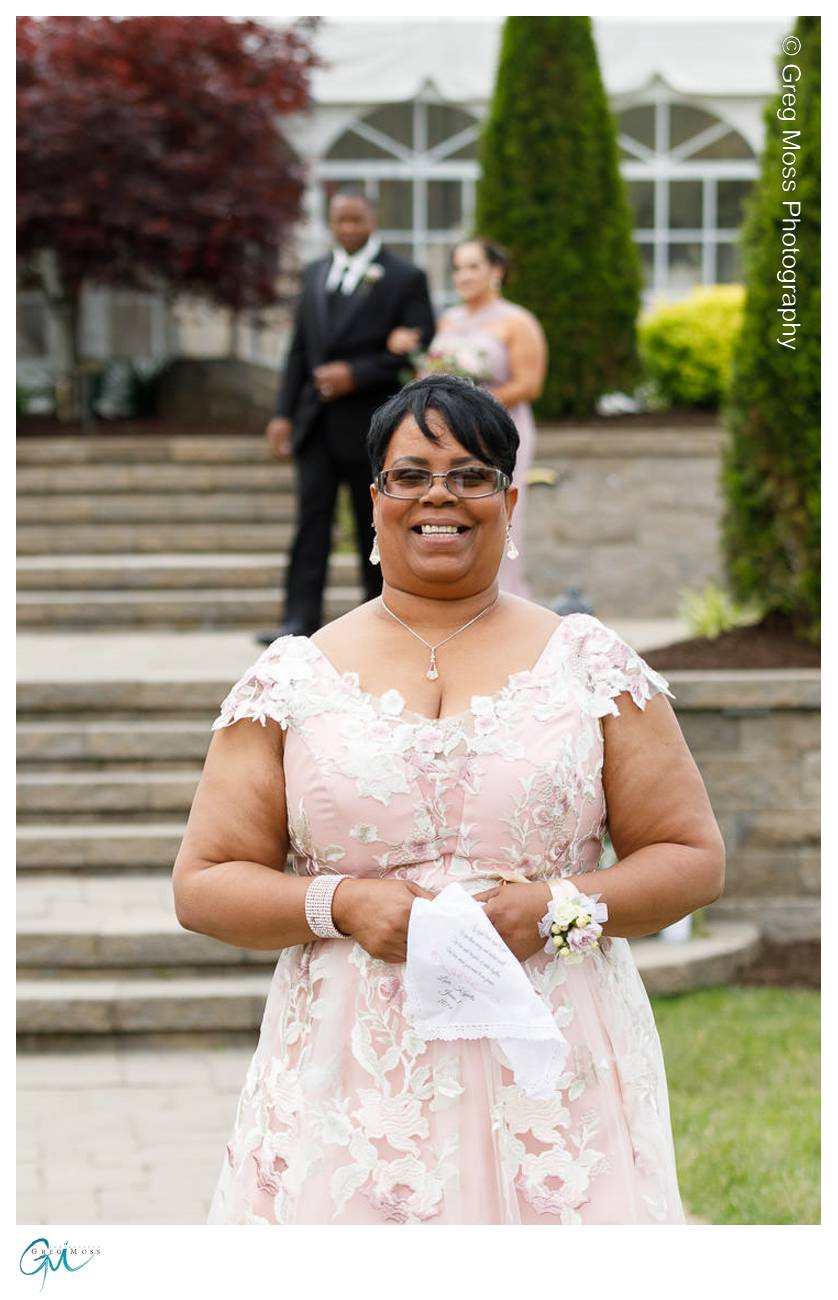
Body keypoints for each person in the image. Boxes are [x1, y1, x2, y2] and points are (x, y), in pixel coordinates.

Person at [173, 375, 725, 1225]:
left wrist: (554, 906)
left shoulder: (588, 663)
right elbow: (205, 882)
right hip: (351, 1080)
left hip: (553, 1067)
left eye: (470, 474)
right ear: (376, 501)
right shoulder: (292, 678)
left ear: (509, 500)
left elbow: (691, 859)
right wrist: (342, 903)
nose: (441, 493)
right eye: (412, 474)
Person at [258, 189, 435, 643]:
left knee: (372, 523)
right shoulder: (315, 274)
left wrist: (356, 374)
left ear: (372, 220)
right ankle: (298, 620)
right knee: (311, 520)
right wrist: (282, 414)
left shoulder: (405, 277)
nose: (348, 228)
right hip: (315, 423)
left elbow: (419, 347)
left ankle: (380, 617)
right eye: (340, 221)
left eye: (356, 220)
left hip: (371, 425)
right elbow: (299, 350)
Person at [387, 239, 547, 598]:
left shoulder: (517, 322)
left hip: (500, 431)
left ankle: (504, 596)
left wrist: (473, 405)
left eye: (473, 267)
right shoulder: (449, 320)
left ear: (496, 271)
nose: (463, 276)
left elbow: (529, 384)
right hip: (448, 437)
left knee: (497, 513)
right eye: (458, 268)